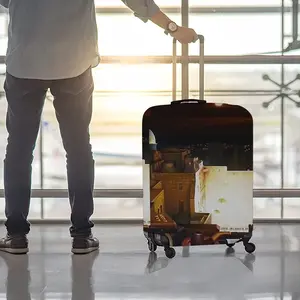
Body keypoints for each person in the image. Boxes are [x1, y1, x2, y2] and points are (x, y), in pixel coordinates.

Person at [0, 0, 198, 255]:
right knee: (79, 149)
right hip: (74, 63)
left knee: (18, 150)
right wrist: (172, 27)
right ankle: (82, 234)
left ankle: (16, 235)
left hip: (25, 61)